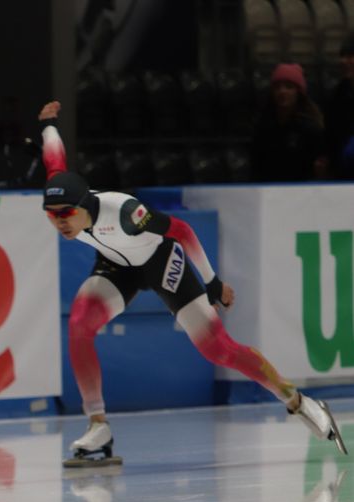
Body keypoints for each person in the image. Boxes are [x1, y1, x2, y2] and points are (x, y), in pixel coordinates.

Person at [37, 100, 346, 466]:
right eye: (51, 215)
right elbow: (54, 160)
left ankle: (298, 400)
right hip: (117, 264)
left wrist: (212, 282)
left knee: (219, 349)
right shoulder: (65, 197)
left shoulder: (125, 214)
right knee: (78, 325)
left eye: (66, 214)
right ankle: (98, 425)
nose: (59, 222)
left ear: (85, 205)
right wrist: (49, 125)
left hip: (159, 260)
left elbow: (181, 230)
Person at [250, 63, 327, 182]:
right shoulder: (263, 125)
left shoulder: (310, 129)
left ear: (298, 92)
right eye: (277, 87)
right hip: (269, 190)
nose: (282, 91)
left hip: (302, 191)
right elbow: (256, 166)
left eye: (289, 87)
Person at [324, 36, 354, 180]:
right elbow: (331, 135)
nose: (344, 61)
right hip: (342, 176)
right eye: (342, 56)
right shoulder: (337, 95)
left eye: (350, 56)